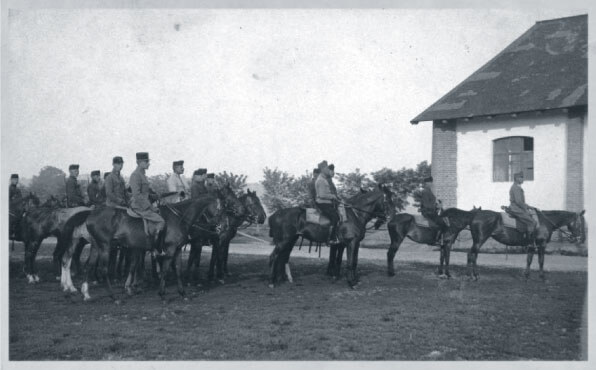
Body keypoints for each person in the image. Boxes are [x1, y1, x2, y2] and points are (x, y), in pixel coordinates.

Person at [130, 152, 166, 254]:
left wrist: (155, 196)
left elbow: (145, 192)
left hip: (144, 204)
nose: (148, 164)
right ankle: (154, 248)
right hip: (139, 206)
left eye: (148, 161)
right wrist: (150, 207)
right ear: (139, 162)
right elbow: (137, 195)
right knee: (161, 221)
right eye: (146, 162)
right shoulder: (135, 175)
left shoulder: (142, 175)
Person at [315, 160, 340, 245]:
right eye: (326, 168)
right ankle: (330, 238)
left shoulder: (323, 179)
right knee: (335, 217)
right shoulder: (321, 180)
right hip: (323, 203)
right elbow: (322, 195)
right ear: (322, 169)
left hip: (326, 202)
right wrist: (333, 196)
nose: (328, 169)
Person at [509, 171, 537, 240]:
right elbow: (518, 201)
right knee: (532, 222)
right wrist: (526, 208)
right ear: (516, 178)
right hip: (516, 208)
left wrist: (529, 207)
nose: (522, 179)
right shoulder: (516, 188)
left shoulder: (517, 187)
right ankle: (528, 242)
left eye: (522, 177)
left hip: (517, 208)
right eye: (521, 177)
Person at [419, 176, 447, 244]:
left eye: (431, 182)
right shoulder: (425, 191)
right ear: (426, 183)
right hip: (427, 212)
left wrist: (438, 204)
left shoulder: (429, 191)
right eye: (430, 182)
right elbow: (426, 204)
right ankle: (435, 239)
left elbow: (431, 202)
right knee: (440, 222)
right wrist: (436, 206)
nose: (432, 184)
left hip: (431, 211)